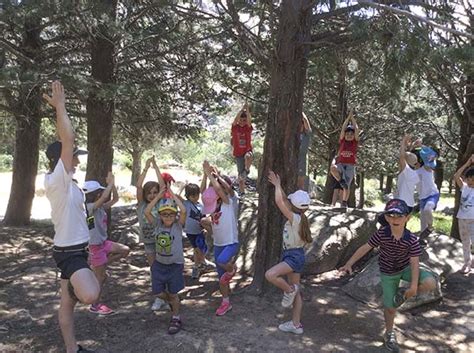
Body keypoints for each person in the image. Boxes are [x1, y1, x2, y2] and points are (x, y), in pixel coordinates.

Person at [44, 81, 100, 353]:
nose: (76, 159)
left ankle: (72, 350)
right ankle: (79, 282)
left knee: (67, 306)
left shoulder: (70, 183)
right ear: (61, 159)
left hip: (74, 250)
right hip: (70, 253)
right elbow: (67, 139)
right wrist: (61, 108)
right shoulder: (57, 179)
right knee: (90, 294)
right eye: (73, 156)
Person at [339, 199, 437, 352]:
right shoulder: (382, 234)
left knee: (430, 283)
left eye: (399, 216)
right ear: (386, 218)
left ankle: (401, 295)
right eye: (390, 215)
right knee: (390, 308)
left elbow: (415, 263)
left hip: (406, 268)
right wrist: (349, 263)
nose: (394, 219)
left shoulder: (411, 239)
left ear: (407, 218)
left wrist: (412, 287)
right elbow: (366, 247)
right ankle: (390, 333)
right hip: (388, 272)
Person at [265, 172, 312, 335]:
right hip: (296, 255)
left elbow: (280, 201)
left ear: (294, 206)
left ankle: (289, 290)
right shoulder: (300, 216)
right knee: (297, 290)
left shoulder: (294, 218)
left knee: (270, 275)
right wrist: (279, 184)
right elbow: (285, 200)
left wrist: (277, 186)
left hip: (293, 257)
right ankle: (296, 324)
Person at [83, 173, 130, 315]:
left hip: (104, 243)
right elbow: (104, 197)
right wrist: (110, 182)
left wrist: (113, 185)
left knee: (125, 250)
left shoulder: (101, 207)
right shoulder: (89, 207)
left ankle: (99, 266)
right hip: (95, 247)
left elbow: (115, 199)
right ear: (96, 194)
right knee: (101, 278)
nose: (102, 194)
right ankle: (95, 305)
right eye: (100, 192)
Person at [144, 187, 186, 334]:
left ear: (175, 215)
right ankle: (173, 302)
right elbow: (147, 211)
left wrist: (173, 195)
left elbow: (184, 211)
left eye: (171, 214)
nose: (168, 216)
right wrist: (159, 196)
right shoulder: (157, 225)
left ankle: (176, 316)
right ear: (160, 215)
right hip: (159, 264)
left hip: (175, 265)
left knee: (174, 294)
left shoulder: (178, 226)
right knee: (157, 292)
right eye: (164, 214)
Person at [201, 160, 239, 316]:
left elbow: (223, 190)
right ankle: (225, 302)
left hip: (231, 242)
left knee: (222, 262)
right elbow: (205, 193)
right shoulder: (214, 203)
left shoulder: (229, 201)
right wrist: (205, 176)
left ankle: (232, 270)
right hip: (218, 244)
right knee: (221, 278)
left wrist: (212, 175)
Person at [135, 156, 167, 311]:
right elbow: (139, 186)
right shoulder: (141, 204)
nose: (153, 195)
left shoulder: (161, 202)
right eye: (150, 193)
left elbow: (162, 186)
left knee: (164, 269)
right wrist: (146, 168)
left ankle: (168, 297)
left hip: (162, 241)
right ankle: (159, 298)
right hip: (149, 242)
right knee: (154, 270)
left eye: (155, 192)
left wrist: (156, 167)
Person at [330, 109, 360, 209]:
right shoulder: (342, 141)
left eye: (351, 134)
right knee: (333, 168)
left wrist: (353, 118)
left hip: (350, 165)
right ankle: (340, 180)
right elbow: (343, 129)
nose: (349, 135)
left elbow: (356, 129)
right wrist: (348, 118)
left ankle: (344, 202)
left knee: (347, 186)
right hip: (341, 163)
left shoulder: (354, 142)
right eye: (347, 134)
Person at [181, 183, 207, 279]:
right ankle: (202, 263)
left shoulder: (201, 206)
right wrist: (183, 187)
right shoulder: (186, 204)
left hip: (199, 231)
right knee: (196, 248)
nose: (196, 197)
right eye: (193, 196)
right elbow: (176, 196)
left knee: (199, 249)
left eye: (197, 195)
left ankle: (197, 266)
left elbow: (203, 218)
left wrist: (205, 228)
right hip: (190, 231)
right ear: (188, 196)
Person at [453, 155, 474, 274]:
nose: (469, 180)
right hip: (462, 219)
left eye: (471, 178)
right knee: (465, 242)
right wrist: (467, 163)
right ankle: (467, 263)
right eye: (468, 178)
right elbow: (456, 176)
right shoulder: (465, 188)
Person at [417, 146, 440, 238]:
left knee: (427, 209)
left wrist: (421, 146)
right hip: (422, 197)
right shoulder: (417, 172)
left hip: (433, 195)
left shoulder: (430, 169)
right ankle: (423, 239)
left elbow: (428, 154)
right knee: (423, 222)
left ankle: (430, 227)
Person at [231, 103, 253, 196]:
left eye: (244, 120)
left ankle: (247, 170)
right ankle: (242, 192)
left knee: (248, 156)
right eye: (241, 120)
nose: (243, 122)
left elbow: (249, 120)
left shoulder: (247, 129)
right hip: (238, 154)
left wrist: (247, 110)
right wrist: (241, 110)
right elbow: (235, 120)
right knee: (240, 177)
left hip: (247, 151)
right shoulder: (235, 128)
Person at [394, 135, 421, 213]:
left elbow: (402, 156)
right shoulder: (415, 174)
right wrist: (412, 146)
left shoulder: (406, 171)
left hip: (401, 203)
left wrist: (403, 142)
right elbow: (408, 158)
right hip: (410, 204)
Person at [297, 112, 312, 190]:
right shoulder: (293, 134)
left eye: (301, 124)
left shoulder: (306, 135)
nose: (299, 126)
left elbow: (306, 122)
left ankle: (300, 197)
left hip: (302, 158)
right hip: (292, 158)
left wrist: (301, 112)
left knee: (301, 179)